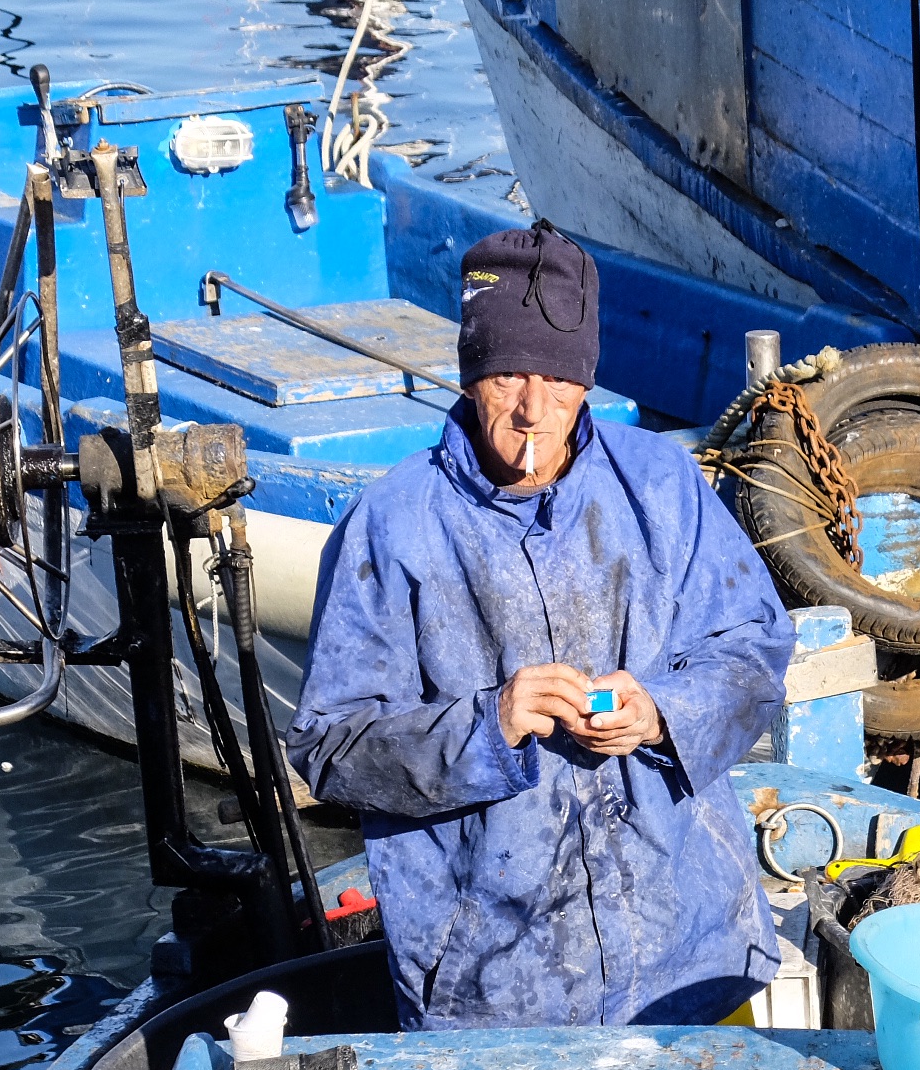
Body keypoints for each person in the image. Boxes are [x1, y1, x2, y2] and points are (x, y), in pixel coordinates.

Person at [287, 223, 793, 1029]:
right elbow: (330, 748)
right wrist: (489, 726)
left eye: (559, 380)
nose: (532, 409)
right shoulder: (392, 522)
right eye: (508, 376)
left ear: (587, 381)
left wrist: (661, 711)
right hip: (492, 988)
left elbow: (756, 648)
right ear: (469, 376)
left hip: (691, 949)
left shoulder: (662, 481)